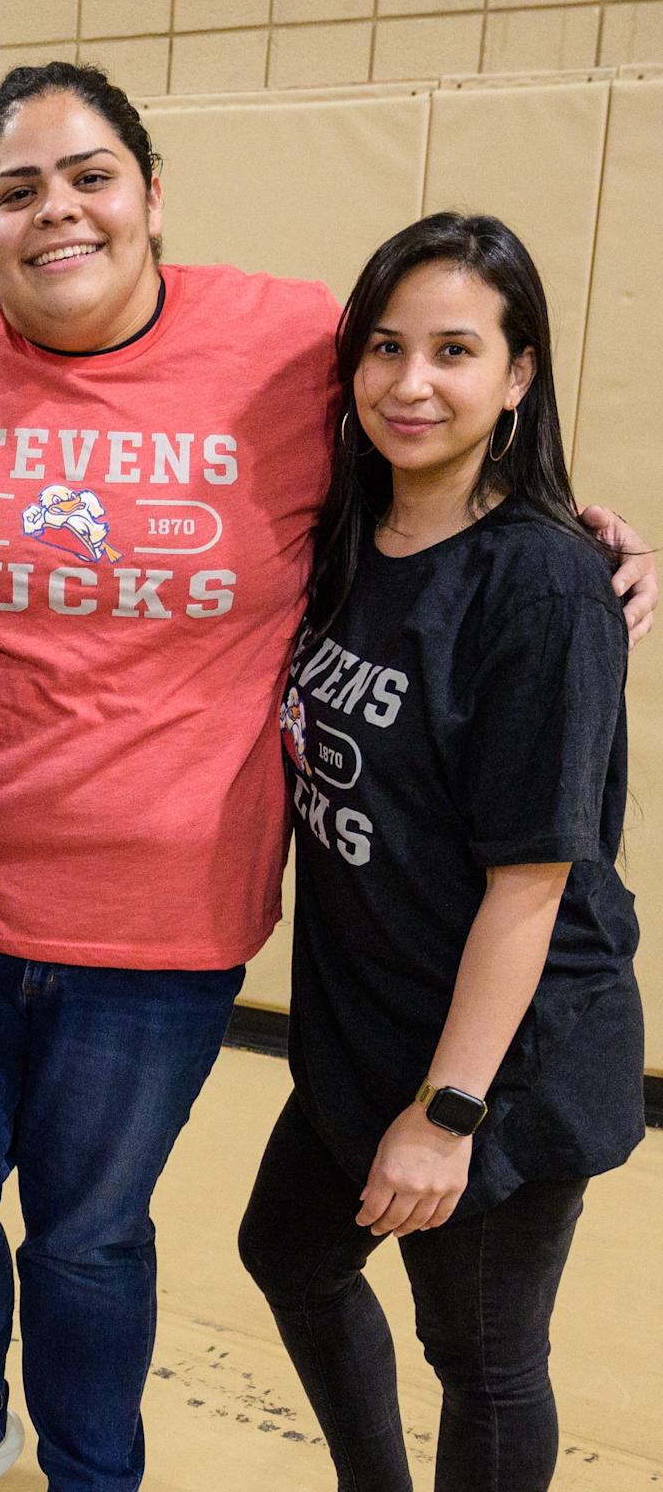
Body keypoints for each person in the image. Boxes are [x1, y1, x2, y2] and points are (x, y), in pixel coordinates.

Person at [0, 61, 656, 1492]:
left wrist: (573, 536)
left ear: (150, 194)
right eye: (17, 188)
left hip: (168, 928)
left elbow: (434, 442)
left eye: (90, 176)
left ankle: (94, 1472)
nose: (57, 209)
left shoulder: (281, 343)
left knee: (88, 1235)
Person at [238, 213, 643, 1492]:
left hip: (501, 1059)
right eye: (387, 349)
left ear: (518, 373)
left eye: (456, 350)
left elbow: (532, 886)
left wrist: (447, 1113)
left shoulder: (542, 585)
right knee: (289, 1250)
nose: (413, 383)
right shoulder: (346, 538)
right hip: (367, 1026)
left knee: (482, 1356)